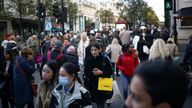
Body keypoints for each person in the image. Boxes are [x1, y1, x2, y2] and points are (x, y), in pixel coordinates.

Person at [84, 43, 113, 108]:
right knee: (96, 102)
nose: (93, 52)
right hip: (93, 86)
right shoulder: (89, 60)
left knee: (100, 104)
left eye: (95, 50)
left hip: (103, 85)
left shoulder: (105, 59)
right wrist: (92, 73)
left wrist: (101, 72)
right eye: (92, 50)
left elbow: (110, 71)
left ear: (100, 50)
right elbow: (86, 72)